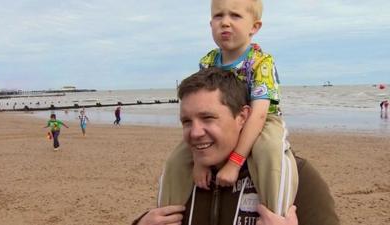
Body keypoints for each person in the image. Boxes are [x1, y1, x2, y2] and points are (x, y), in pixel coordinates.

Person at [134, 68, 339, 225]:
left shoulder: (295, 176)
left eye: (208, 118)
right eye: (186, 121)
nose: (195, 132)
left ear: (242, 117)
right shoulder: (179, 178)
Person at [164, 0, 297, 216]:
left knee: (270, 151)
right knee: (176, 159)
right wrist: (199, 161)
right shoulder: (209, 61)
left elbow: (259, 113)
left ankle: (277, 212)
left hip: (260, 120)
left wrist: (235, 162)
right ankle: (167, 213)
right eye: (218, 16)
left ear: (254, 27)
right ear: (210, 24)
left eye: (235, 16)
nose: (225, 22)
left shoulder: (261, 62)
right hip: (221, 122)